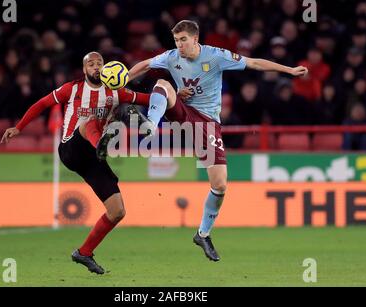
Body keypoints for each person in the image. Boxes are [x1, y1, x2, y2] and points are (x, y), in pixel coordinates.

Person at [125, 20, 307, 261]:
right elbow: (146, 64)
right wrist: (122, 79)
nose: (179, 45)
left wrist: (290, 70)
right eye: (176, 40)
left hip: (207, 123)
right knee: (163, 84)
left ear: (195, 39)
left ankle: (203, 234)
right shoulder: (170, 57)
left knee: (220, 185)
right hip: (182, 113)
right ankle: (150, 125)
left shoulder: (217, 56)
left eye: (183, 40)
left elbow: (253, 63)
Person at [1, 52, 150, 274]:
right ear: (84, 69)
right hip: (71, 148)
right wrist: (19, 127)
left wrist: (175, 96)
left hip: (92, 159)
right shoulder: (72, 89)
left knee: (117, 211)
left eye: (100, 63)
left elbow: (149, 99)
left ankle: (84, 253)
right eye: (91, 64)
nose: (96, 67)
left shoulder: (116, 91)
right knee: (89, 121)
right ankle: (108, 136)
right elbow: (42, 104)